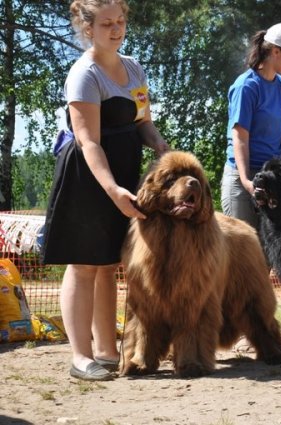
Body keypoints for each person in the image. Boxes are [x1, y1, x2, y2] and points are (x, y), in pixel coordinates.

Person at [41, 0, 169, 381]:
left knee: (110, 263)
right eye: (107, 24)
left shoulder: (133, 67)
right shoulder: (84, 74)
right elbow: (88, 141)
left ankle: (106, 350)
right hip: (89, 176)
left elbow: (142, 122)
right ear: (87, 28)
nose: (116, 29)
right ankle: (80, 357)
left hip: (126, 172)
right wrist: (113, 189)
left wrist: (161, 148)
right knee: (83, 265)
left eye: (121, 21)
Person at [221, 22, 281, 229]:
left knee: (273, 252)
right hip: (242, 179)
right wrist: (247, 181)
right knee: (244, 253)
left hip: (273, 178)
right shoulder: (246, 86)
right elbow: (240, 137)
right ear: (275, 51)